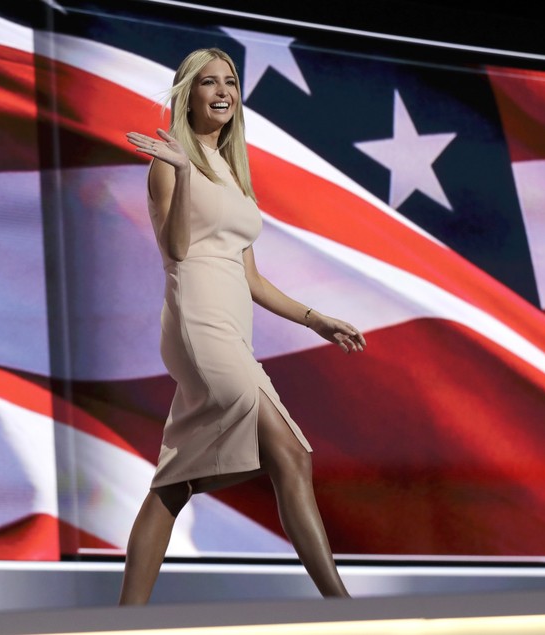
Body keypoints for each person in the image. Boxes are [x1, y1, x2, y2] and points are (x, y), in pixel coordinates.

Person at [120, 48, 366, 604]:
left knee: (186, 480)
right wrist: (182, 171)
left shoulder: (232, 167)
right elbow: (178, 249)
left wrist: (316, 319)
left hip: (233, 324)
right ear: (189, 93)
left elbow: (250, 273)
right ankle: (339, 606)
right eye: (209, 82)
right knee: (289, 454)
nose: (222, 91)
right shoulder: (169, 160)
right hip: (196, 321)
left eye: (230, 81)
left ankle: (128, 614)